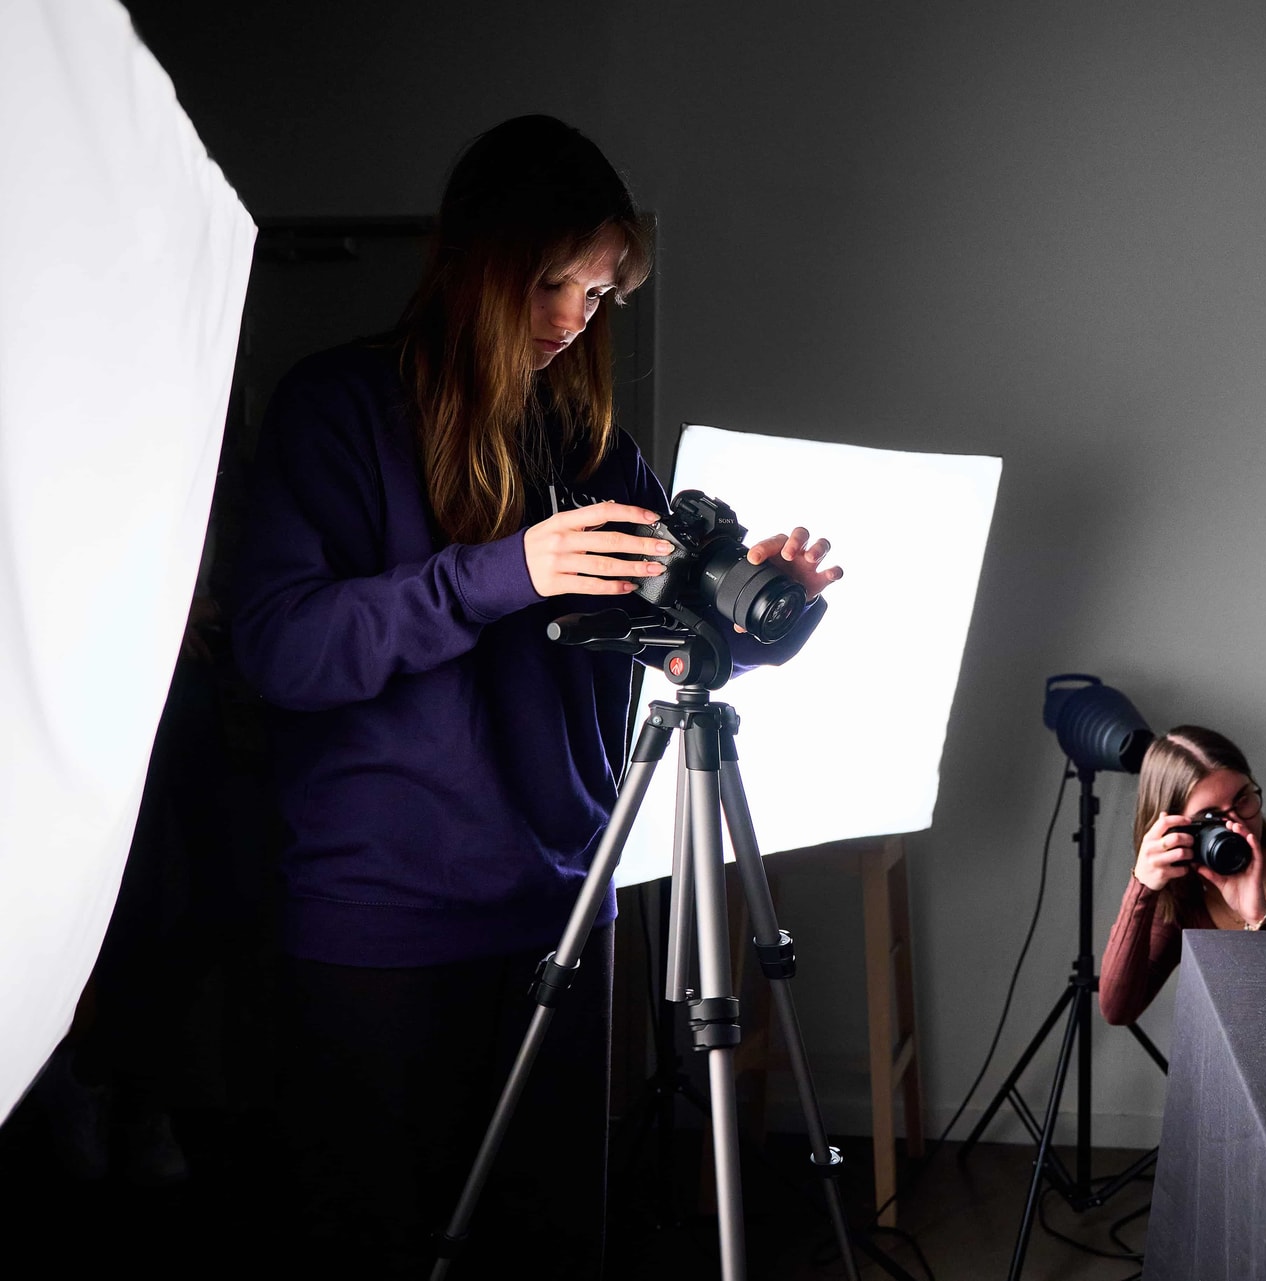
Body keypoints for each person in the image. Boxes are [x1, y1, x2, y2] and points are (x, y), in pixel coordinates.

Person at [227, 115, 840, 1279]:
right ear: (473, 259)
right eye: (554, 281)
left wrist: (759, 616)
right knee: (386, 1241)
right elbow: (280, 649)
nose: (572, 319)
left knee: (552, 1247)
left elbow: (663, 641)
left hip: (566, 909)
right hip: (383, 928)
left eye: (601, 295)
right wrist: (505, 571)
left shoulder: (586, 437)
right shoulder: (339, 407)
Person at [1099, 726, 1266, 1026]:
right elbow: (1118, 1010)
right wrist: (1142, 887)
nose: (1237, 825)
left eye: (1243, 799)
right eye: (1210, 818)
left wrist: (1260, 917)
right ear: (1176, 828)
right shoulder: (1182, 896)